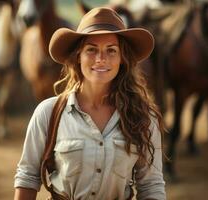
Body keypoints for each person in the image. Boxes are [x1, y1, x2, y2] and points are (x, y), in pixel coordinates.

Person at [14, 7, 166, 200]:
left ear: (122, 58)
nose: (101, 59)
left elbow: (151, 186)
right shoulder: (48, 113)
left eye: (111, 50)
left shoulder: (144, 117)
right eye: (91, 49)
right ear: (79, 56)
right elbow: (27, 178)